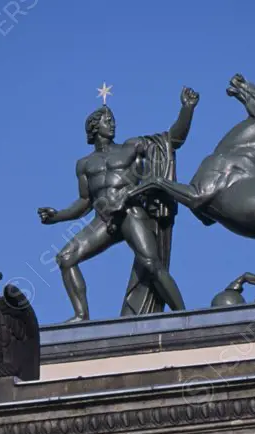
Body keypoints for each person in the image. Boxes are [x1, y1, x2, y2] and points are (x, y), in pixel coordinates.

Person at [38, 87, 199, 322]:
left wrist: (187, 109)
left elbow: (171, 140)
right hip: (103, 221)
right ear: (94, 128)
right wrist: (58, 216)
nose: (112, 124)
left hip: (130, 213)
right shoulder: (84, 164)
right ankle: (81, 315)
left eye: (112, 120)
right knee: (66, 258)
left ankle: (184, 316)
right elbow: (85, 202)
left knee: (150, 263)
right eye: (106, 121)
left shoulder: (131, 147)